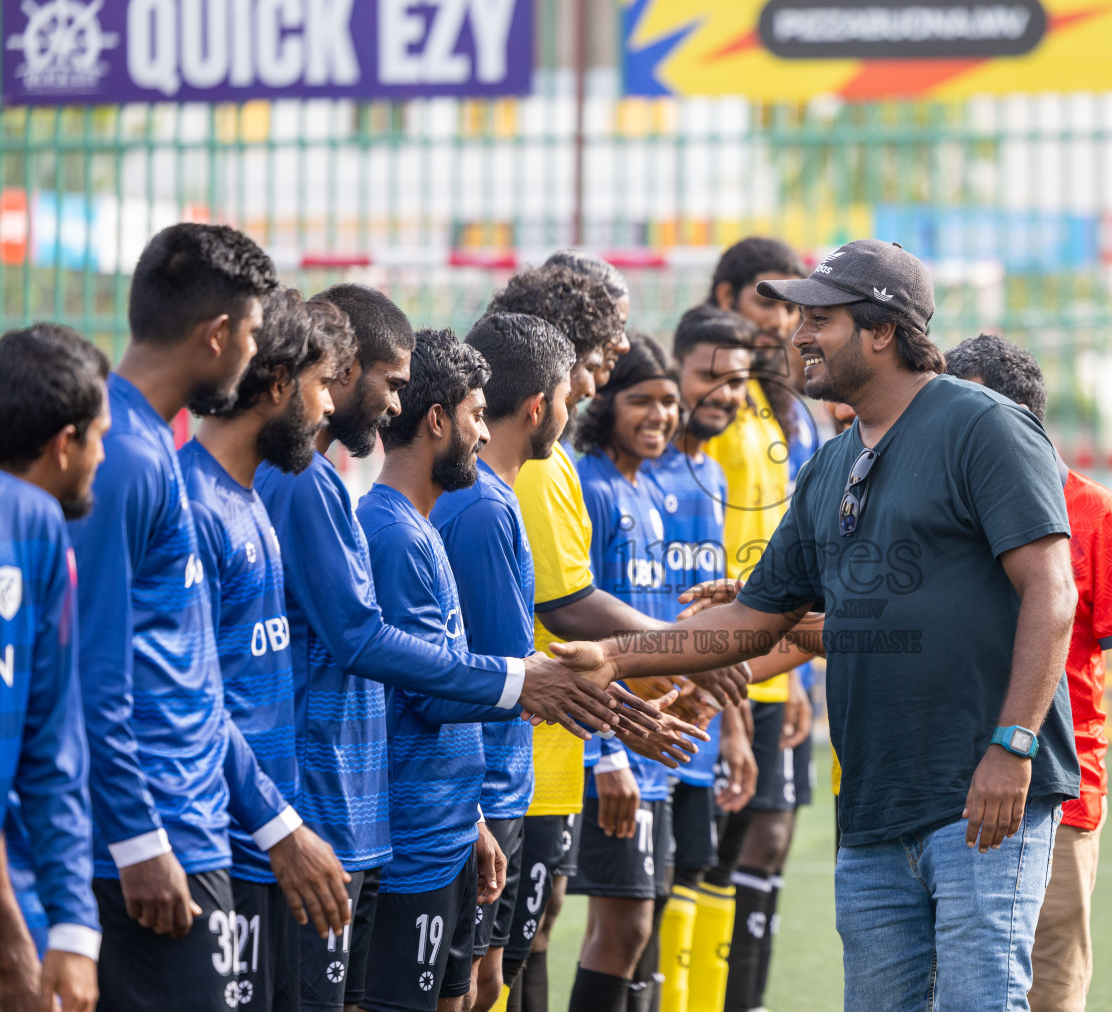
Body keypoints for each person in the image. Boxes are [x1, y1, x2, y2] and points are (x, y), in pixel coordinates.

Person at [551, 239, 1082, 1012]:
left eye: (818, 317)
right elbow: (755, 618)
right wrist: (614, 657)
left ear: (881, 330)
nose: (795, 332)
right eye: (796, 313)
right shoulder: (830, 465)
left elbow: (1053, 592)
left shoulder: (983, 426)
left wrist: (1013, 745)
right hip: (871, 812)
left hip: (981, 798)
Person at [255, 285, 640, 1012]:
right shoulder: (340, 497)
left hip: (392, 823)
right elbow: (370, 646)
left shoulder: (357, 498)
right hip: (342, 821)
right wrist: (520, 681)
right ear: (341, 371)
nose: (392, 406)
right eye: (389, 384)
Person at [490, 271, 749, 1012]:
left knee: (544, 934)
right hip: (530, 752)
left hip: (571, 740)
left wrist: (695, 663)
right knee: (505, 956)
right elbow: (568, 608)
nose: (614, 358)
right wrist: (687, 652)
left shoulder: (636, 484)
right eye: (608, 353)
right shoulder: (557, 472)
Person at [944, 335, 1112, 1012]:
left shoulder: (1096, 514)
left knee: (1047, 999)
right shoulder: (946, 508)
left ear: (1016, 415)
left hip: (1057, 801)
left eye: (965, 409)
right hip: (939, 798)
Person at [180, 290, 359, 1012]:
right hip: (215, 849)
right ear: (279, 383)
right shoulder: (191, 506)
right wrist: (277, 826)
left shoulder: (252, 498)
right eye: (322, 385)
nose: (329, 409)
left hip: (266, 848)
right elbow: (191, 698)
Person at [429, 312, 573, 1012]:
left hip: (490, 784)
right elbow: (494, 670)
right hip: (482, 784)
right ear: (542, 405)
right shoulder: (486, 506)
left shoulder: (491, 497)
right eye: (571, 395)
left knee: (486, 979)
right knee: (473, 987)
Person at [704, 238, 816, 1012]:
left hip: (783, 654)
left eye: (789, 304)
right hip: (724, 643)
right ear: (726, 295)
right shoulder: (715, 401)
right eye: (765, 300)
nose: (780, 320)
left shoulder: (793, 406)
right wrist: (732, 694)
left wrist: (801, 675)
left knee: (772, 834)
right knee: (716, 845)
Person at [569, 336, 693, 1012]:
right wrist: (605, 751)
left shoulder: (646, 493)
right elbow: (569, 625)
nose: (659, 415)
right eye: (642, 399)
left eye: (669, 402)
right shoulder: (586, 484)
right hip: (607, 742)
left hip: (651, 748)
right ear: (605, 403)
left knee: (639, 927)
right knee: (621, 927)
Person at [646, 306, 762, 1012]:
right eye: (707, 377)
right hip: (637, 716)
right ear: (676, 371)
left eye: (737, 381)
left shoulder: (710, 477)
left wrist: (738, 727)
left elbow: (720, 619)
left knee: (695, 871)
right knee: (637, 904)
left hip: (699, 721)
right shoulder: (632, 467)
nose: (723, 393)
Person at [0, 323, 110, 1012]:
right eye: (100, 436)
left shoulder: (38, 528)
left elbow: (50, 747)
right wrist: (16, 945)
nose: (106, 455)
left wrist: (71, 924)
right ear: (65, 443)